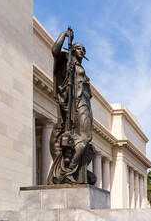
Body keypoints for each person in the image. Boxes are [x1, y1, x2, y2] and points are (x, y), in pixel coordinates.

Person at [47, 29, 96, 185]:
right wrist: (64, 34)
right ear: (72, 50)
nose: (82, 51)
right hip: (75, 106)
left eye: (84, 49)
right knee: (86, 137)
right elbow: (55, 50)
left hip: (85, 106)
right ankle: (67, 172)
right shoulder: (65, 61)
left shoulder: (82, 70)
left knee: (89, 145)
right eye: (78, 48)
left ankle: (73, 171)